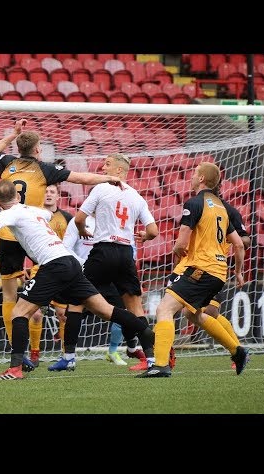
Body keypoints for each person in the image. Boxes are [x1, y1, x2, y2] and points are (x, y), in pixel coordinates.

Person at [0, 179, 155, 381]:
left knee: (18, 313)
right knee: (105, 310)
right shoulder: (37, 211)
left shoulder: (10, 213)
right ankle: (151, 338)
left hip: (54, 265)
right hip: (71, 262)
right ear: (19, 197)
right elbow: (47, 217)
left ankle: (15, 369)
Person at [0, 118, 125, 367]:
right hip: (35, 235)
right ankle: (56, 351)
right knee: (45, 293)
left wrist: (12, 134)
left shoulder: (6, 163)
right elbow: (80, 178)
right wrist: (107, 178)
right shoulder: (45, 169)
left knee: (9, 298)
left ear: (18, 148)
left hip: (9, 233)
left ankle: (17, 351)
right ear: (38, 150)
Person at [139, 161, 248, 378]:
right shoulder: (222, 209)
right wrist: (238, 271)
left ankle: (160, 365)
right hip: (218, 272)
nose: (190, 176)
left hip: (200, 268)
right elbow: (238, 244)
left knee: (164, 309)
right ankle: (237, 350)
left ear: (201, 179)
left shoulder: (194, 203)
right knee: (194, 314)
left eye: (194, 173)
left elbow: (180, 244)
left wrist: (178, 250)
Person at [67, 153, 163, 373]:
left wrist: (82, 232)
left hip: (103, 251)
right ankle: (150, 360)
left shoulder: (101, 188)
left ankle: (69, 356)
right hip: (126, 254)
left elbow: (80, 219)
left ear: (119, 170)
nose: (102, 167)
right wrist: (145, 238)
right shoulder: (137, 196)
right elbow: (153, 231)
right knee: (135, 306)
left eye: (107, 164)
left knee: (76, 298)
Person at [170, 181, 251, 370]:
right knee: (176, 310)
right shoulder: (198, 205)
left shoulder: (227, 210)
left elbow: (244, 240)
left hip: (210, 266)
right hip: (188, 264)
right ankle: (165, 353)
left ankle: (237, 351)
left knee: (206, 312)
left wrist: (223, 242)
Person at [62, 210, 128, 366]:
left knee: (122, 312)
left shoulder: (114, 222)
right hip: (83, 274)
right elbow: (65, 247)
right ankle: (69, 356)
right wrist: (83, 263)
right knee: (73, 312)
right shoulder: (77, 222)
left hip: (107, 275)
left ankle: (113, 351)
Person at [26, 184, 73, 367]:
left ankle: (65, 354)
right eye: (45, 191)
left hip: (61, 268)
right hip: (39, 267)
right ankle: (35, 353)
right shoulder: (34, 215)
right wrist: (26, 265)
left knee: (63, 314)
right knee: (35, 313)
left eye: (52, 192)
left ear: (58, 196)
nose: (48, 194)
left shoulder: (66, 218)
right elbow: (25, 240)